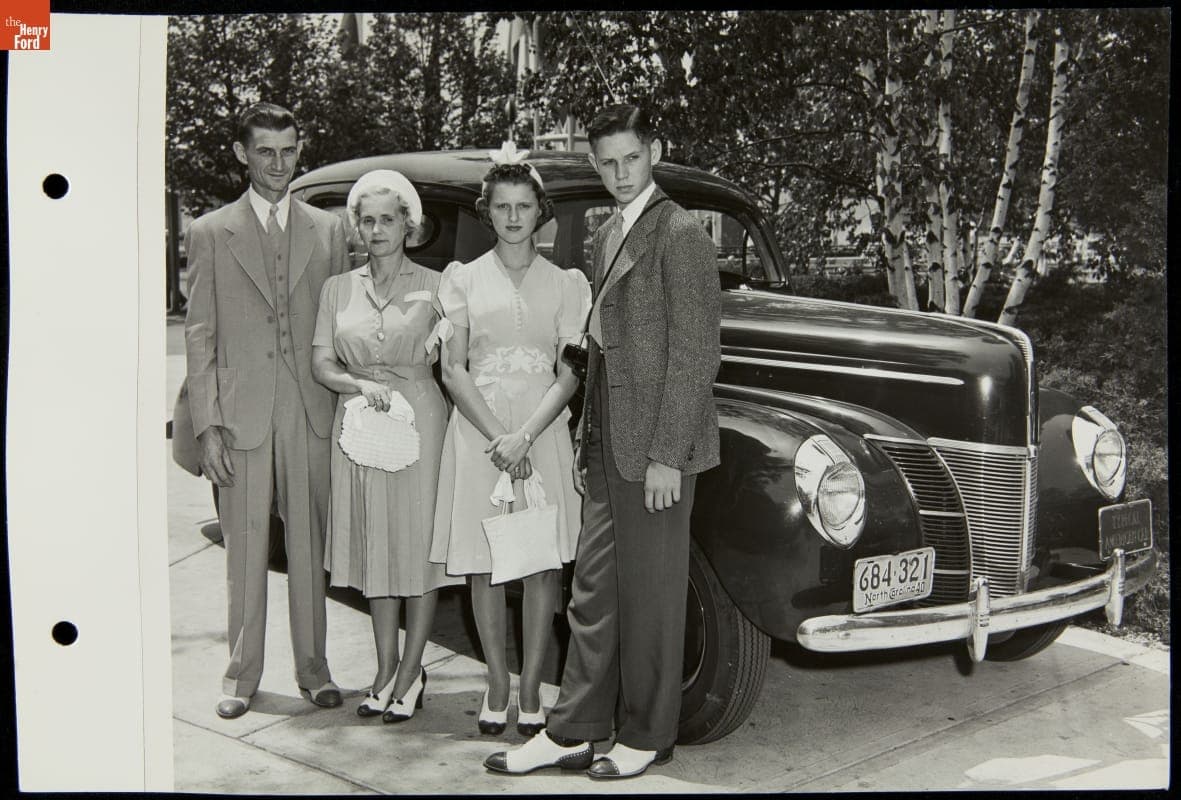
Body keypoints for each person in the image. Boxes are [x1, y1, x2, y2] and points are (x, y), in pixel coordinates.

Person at [485, 103, 721, 778]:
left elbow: (695, 354)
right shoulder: (608, 230)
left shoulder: (679, 234)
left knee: (650, 596)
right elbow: (601, 349)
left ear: (655, 151)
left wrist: (664, 456)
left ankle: (647, 733)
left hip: (656, 451)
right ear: (595, 163)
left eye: (632, 159)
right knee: (591, 593)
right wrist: (590, 442)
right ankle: (575, 728)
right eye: (607, 162)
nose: (620, 173)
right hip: (608, 446)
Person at [184, 102, 349, 719]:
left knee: (309, 548)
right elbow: (199, 335)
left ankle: (315, 669)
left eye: (289, 150)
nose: (279, 164)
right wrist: (207, 426)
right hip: (240, 414)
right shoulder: (209, 232)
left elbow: (339, 324)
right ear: (241, 154)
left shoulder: (329, 232)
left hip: (310, 411)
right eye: (265, 152)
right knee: (245, 549)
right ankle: (240, 675)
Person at [430, 143, 590, 738]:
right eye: (503, 206)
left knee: (539, 563)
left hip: (541, 433)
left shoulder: (567, 283)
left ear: (540, 211)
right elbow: (452, 369)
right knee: (483, 562)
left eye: (525, 206)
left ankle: (530, 688)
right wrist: (500, 437)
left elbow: (571, 368)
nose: (515, 217)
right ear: (487, 211)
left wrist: (525, 436)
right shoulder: (462, 280)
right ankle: (495, 683)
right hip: (479, 435)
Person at [310, 170, 464, 722]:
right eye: (367, 220)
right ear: (356, 227)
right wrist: (359, 384)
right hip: (360, 426)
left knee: (416, 546)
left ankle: (411, 671)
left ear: (409, 225)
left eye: (387, 219)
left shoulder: (437, 284)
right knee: (377, 544)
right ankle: (384, 668)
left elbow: (457, 361)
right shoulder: (337, 289)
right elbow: (322, 362)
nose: (376, 230)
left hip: (420, 422)